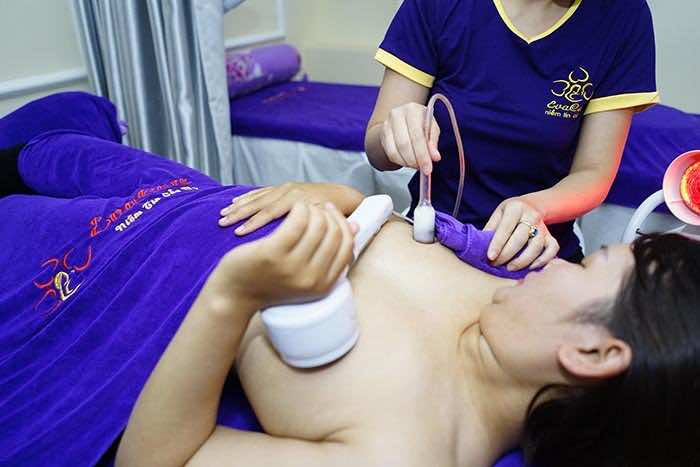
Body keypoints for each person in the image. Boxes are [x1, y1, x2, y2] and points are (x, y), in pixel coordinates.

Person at [364, 0, 659, 270]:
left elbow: (593, 173)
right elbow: (376, 149)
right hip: (432, 243)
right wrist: (395, 135)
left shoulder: (623, 14)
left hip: (535, 256)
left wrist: (535, 208)